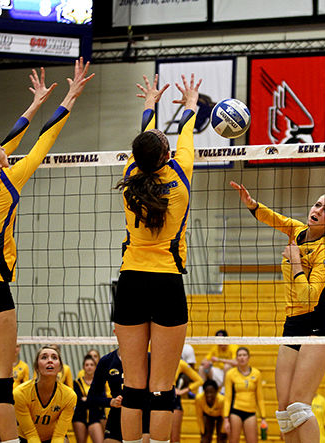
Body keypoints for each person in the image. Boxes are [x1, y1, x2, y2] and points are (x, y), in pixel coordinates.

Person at [0, 60, 93, 443]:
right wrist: (69, 97)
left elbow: (9, 137)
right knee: (0, 380)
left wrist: (33, 104)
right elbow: (44, 137)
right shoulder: (8, 180)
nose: (7, 152)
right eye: (2, 153)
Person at [230, 182, 325, 443]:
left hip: (318, 326)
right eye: (317, 204)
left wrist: (296, 261)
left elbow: (309, 297)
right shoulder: (298, 230)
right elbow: (273, 218)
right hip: (293, 325)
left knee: (299, 406)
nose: (318, 210)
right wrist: (251, 204)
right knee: (284, 411)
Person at [112, 72, 202, 443]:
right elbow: (186, 130)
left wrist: (149, 102)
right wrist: (191, 103)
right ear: (167, 156)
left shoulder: (131, 174)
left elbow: (147, 141)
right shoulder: (180, 174)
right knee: (162, 387)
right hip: (167, 282)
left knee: (133, 386)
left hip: (131, 280)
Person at [14, 345, 77, 443]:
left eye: (54, 357)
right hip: (25, 438)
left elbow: (59, 436)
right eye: (44, 357)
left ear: (60, 367)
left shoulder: (69, 396)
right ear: (37, 367)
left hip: (51, 438)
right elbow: (31, 435)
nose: (50, 360)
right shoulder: (20, 393)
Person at [222, 347, 266, 443]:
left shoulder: (256, 373)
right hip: (235, 411)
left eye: (244, 355)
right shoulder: (230, 374)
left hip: (250, 412)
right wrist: (225, 418)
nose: (242, 358)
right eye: (239, 355)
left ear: (249, 357)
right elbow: (228, 397)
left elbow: (260, 397)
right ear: (236, 358)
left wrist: (263, 418)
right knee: (233, 440)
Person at [73, 354, 104, 443]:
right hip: (79, 417)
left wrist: (87, 399)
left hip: (94, 417)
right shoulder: (76, 383)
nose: (89, 367)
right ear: (83, 367)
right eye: (87, 365)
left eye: (91, 365)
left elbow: (101, 400)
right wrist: (92, 399)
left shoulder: (99, 382)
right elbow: (77, 401)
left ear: (95, 367)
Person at [171, 359, 204, 443]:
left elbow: (199, 380)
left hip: (174, 400)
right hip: (156, 398)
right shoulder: (155, 359)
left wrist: (184, 390)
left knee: (174, 438)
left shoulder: (181, 363)